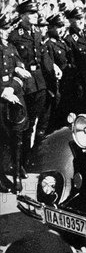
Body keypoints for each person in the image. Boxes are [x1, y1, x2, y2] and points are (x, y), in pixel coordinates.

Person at [8, 0, 53, 172]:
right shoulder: (15, 35)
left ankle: (29, 160)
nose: (35, 16)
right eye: (31, 13)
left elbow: (42, 57)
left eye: (35, 13)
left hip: (39, 82)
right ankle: (18, 163)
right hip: (25, 84)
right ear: (22, 16)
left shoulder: (37, 32)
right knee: (24, 125)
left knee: (34, 123)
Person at [0, 13, 27, 193]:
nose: (6, 32)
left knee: (17, 140)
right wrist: (3, 92)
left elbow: (22, 73)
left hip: (15, 100)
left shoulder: (11, 47)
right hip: (1, 101)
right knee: (2, 140)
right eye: (3, 28)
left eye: (8, 28)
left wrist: (12, 88)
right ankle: (1, 176)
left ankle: (17, 176)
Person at [63, 7, 86, 115]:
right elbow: (72, 62)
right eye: (78, 18)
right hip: (79, 80)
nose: (81, 21)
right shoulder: (69, 39)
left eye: (82, 18)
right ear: (70, 21)